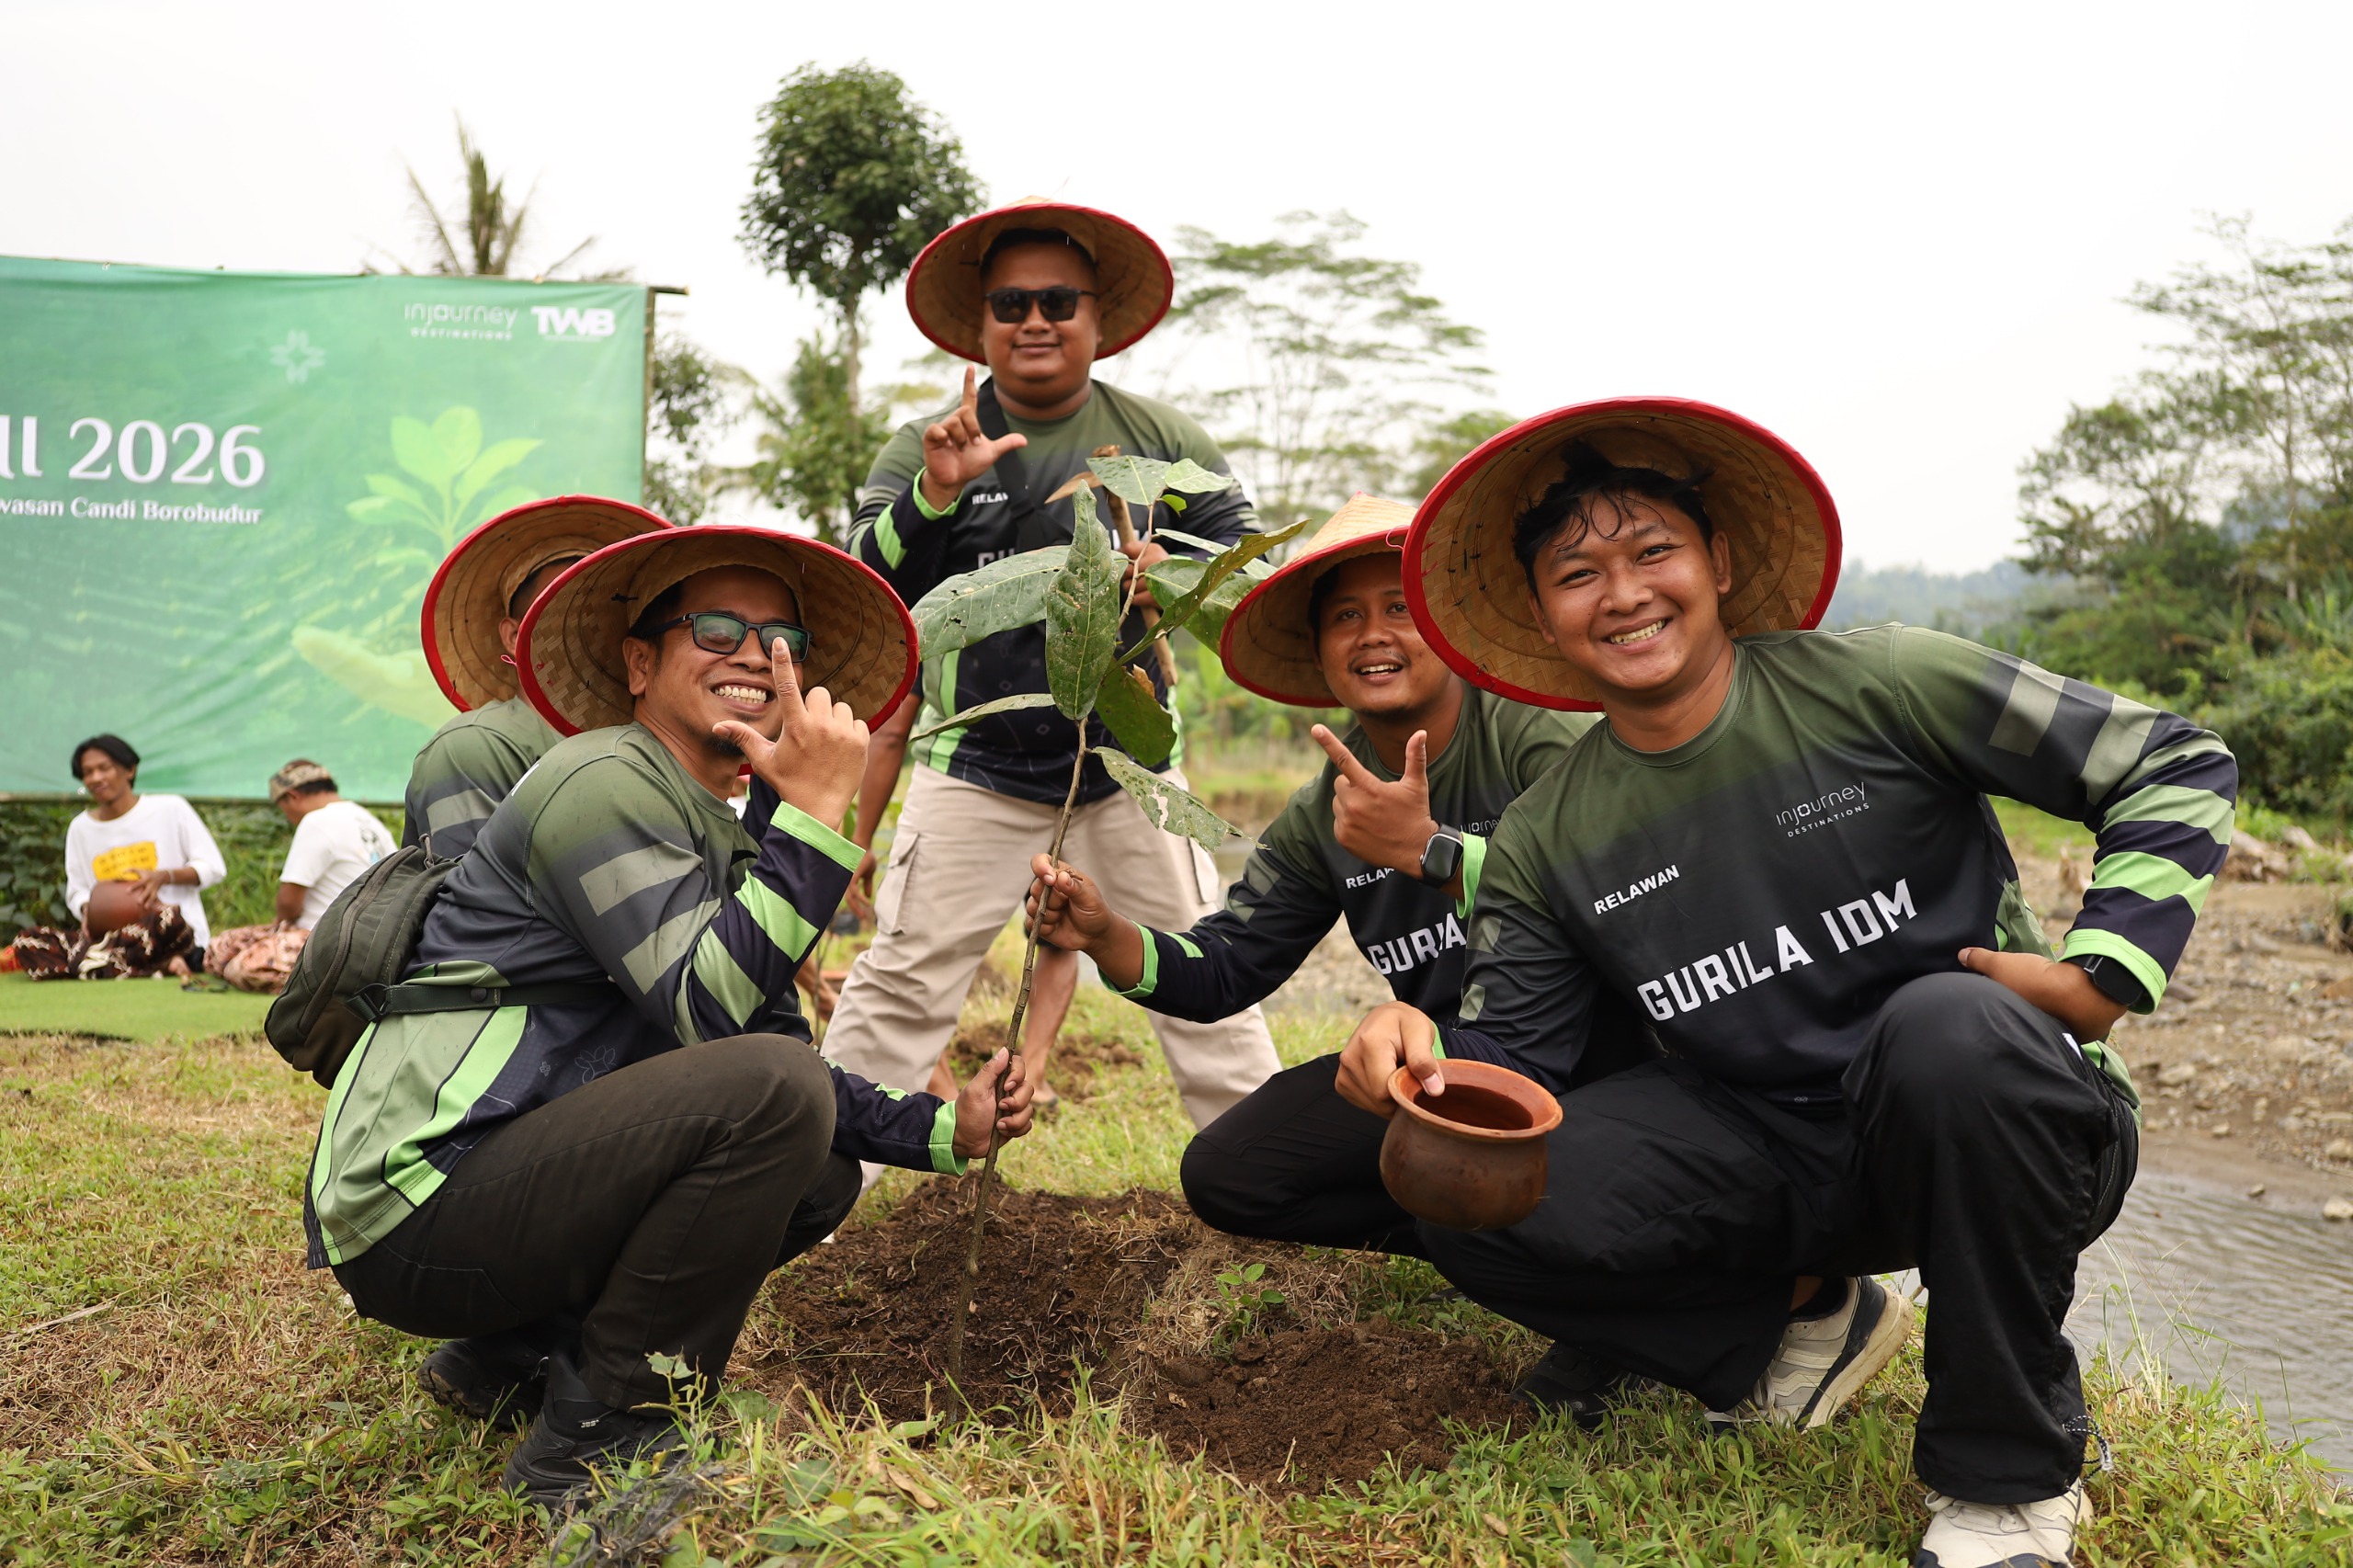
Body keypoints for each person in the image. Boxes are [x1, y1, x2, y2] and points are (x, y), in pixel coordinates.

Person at [1341, 401, 2227, 1568]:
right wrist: (1418, 1057)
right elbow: (1519, 1070)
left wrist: (2104, 967)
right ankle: (1799, 1322)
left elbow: (2170, 758)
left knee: (1946, 1023)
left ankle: (2006, 1481)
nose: (1622, 593)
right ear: (1541, 613)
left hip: (2000, 1116)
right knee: (1470, 1194)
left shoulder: (1882, 683)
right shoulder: (1549, 833)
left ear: (1715, 561)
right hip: (1777, 1156)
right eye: (1576, 571)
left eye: (1652, 549)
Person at [305, 524, 1035, 1507]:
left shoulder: (720, 827)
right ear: (640, 662)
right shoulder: (600, 779)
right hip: (418, 1197)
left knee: (810, 1162)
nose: (754, 654)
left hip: (506, 1178)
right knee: (770, 1101)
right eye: (718, 627)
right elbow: (708, 1006)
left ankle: (511, 1359)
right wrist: (819, 819)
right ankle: (600, 1440)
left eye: (782, 639)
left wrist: (948, 1127)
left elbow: (772, 1049)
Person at [1022, 495, 1643, 1417]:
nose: (1372, 633)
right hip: (1452, 1076)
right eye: (1344, 616)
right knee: (1233, 1171)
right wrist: (1108, 934)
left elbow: (1631, 909)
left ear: (1444, 622)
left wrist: (1436, 852)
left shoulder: (1537, 739)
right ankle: (1502, 1239)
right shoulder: (1326, 809)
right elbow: (1229, 967)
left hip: (1599, 1067)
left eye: (1398, 607)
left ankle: (1614, 1306)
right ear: (1318, 651)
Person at [826, 198, 1279, 1131]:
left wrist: (1177, 572)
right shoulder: (925, 446)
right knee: (902, 988)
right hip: (973, 770)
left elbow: (1258, 571)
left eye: (1058, 301)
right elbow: (865, 586)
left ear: (1097, 319)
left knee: (1205, 983)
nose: (1035, 320)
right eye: (1012, 302)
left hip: (1130, 769)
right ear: (982, 322)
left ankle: (1267, 1188)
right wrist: (934, 495)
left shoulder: (1163, 443)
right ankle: (818, 1188)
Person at [848, 691, 1084, 1107]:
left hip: (983, 771)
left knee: (916, 965)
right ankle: (1024, 1074)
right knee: (1060, 933)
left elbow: (893, 730)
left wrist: (862, 839)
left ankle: (986, 1081)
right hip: (1087, 776)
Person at [406, 496, 674, 859]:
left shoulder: (657, 752)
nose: (594, 621)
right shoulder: (477, 747)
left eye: (610, 603)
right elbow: (466, 906)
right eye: (561, 607)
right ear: (515, 637)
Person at [12, 734, 224, 981]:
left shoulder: (170, 809)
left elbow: (212, 868)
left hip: (173, 933)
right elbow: (77, 891)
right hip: (113, 941)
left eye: (104, 768)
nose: (95, 778)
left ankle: (131, 963)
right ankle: (148, 964)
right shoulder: (80, 828)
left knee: (168, 920)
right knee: (28, 942)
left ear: (130, 770)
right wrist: (91, 910)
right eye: (87, 772)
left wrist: (163, 877)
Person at [206, 761, 397, 993]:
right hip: (375, 939)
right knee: (220, 949)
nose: (287, 816)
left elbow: (289, 905)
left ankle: (337, 982)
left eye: (282, 807)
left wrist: (280, 924)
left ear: (293, 796)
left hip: (325, 938)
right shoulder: (370, 821)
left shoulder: (316, 820)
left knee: (242, 965)